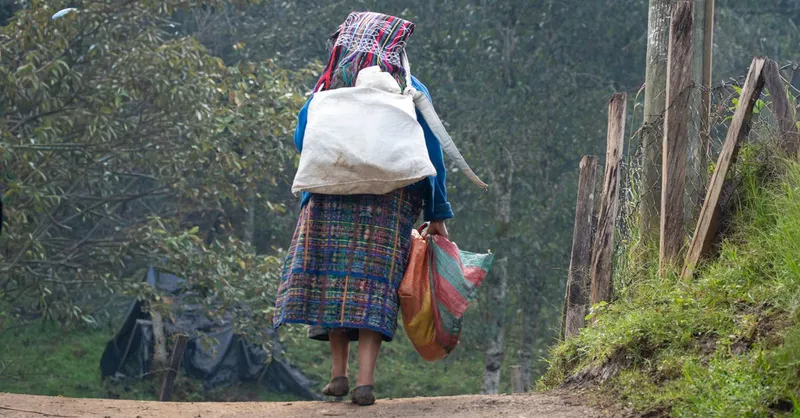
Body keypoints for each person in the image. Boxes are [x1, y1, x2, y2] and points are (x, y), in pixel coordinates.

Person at [272, 11, 453, 406]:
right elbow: (432, 154)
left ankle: (338, 374)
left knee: (334, 281)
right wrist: (437, 212)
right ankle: (365, 383)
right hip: (388, 206)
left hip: (328, 200)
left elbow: (303, 138)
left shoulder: (327, 88)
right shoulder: (409, 88)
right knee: (373, 287)